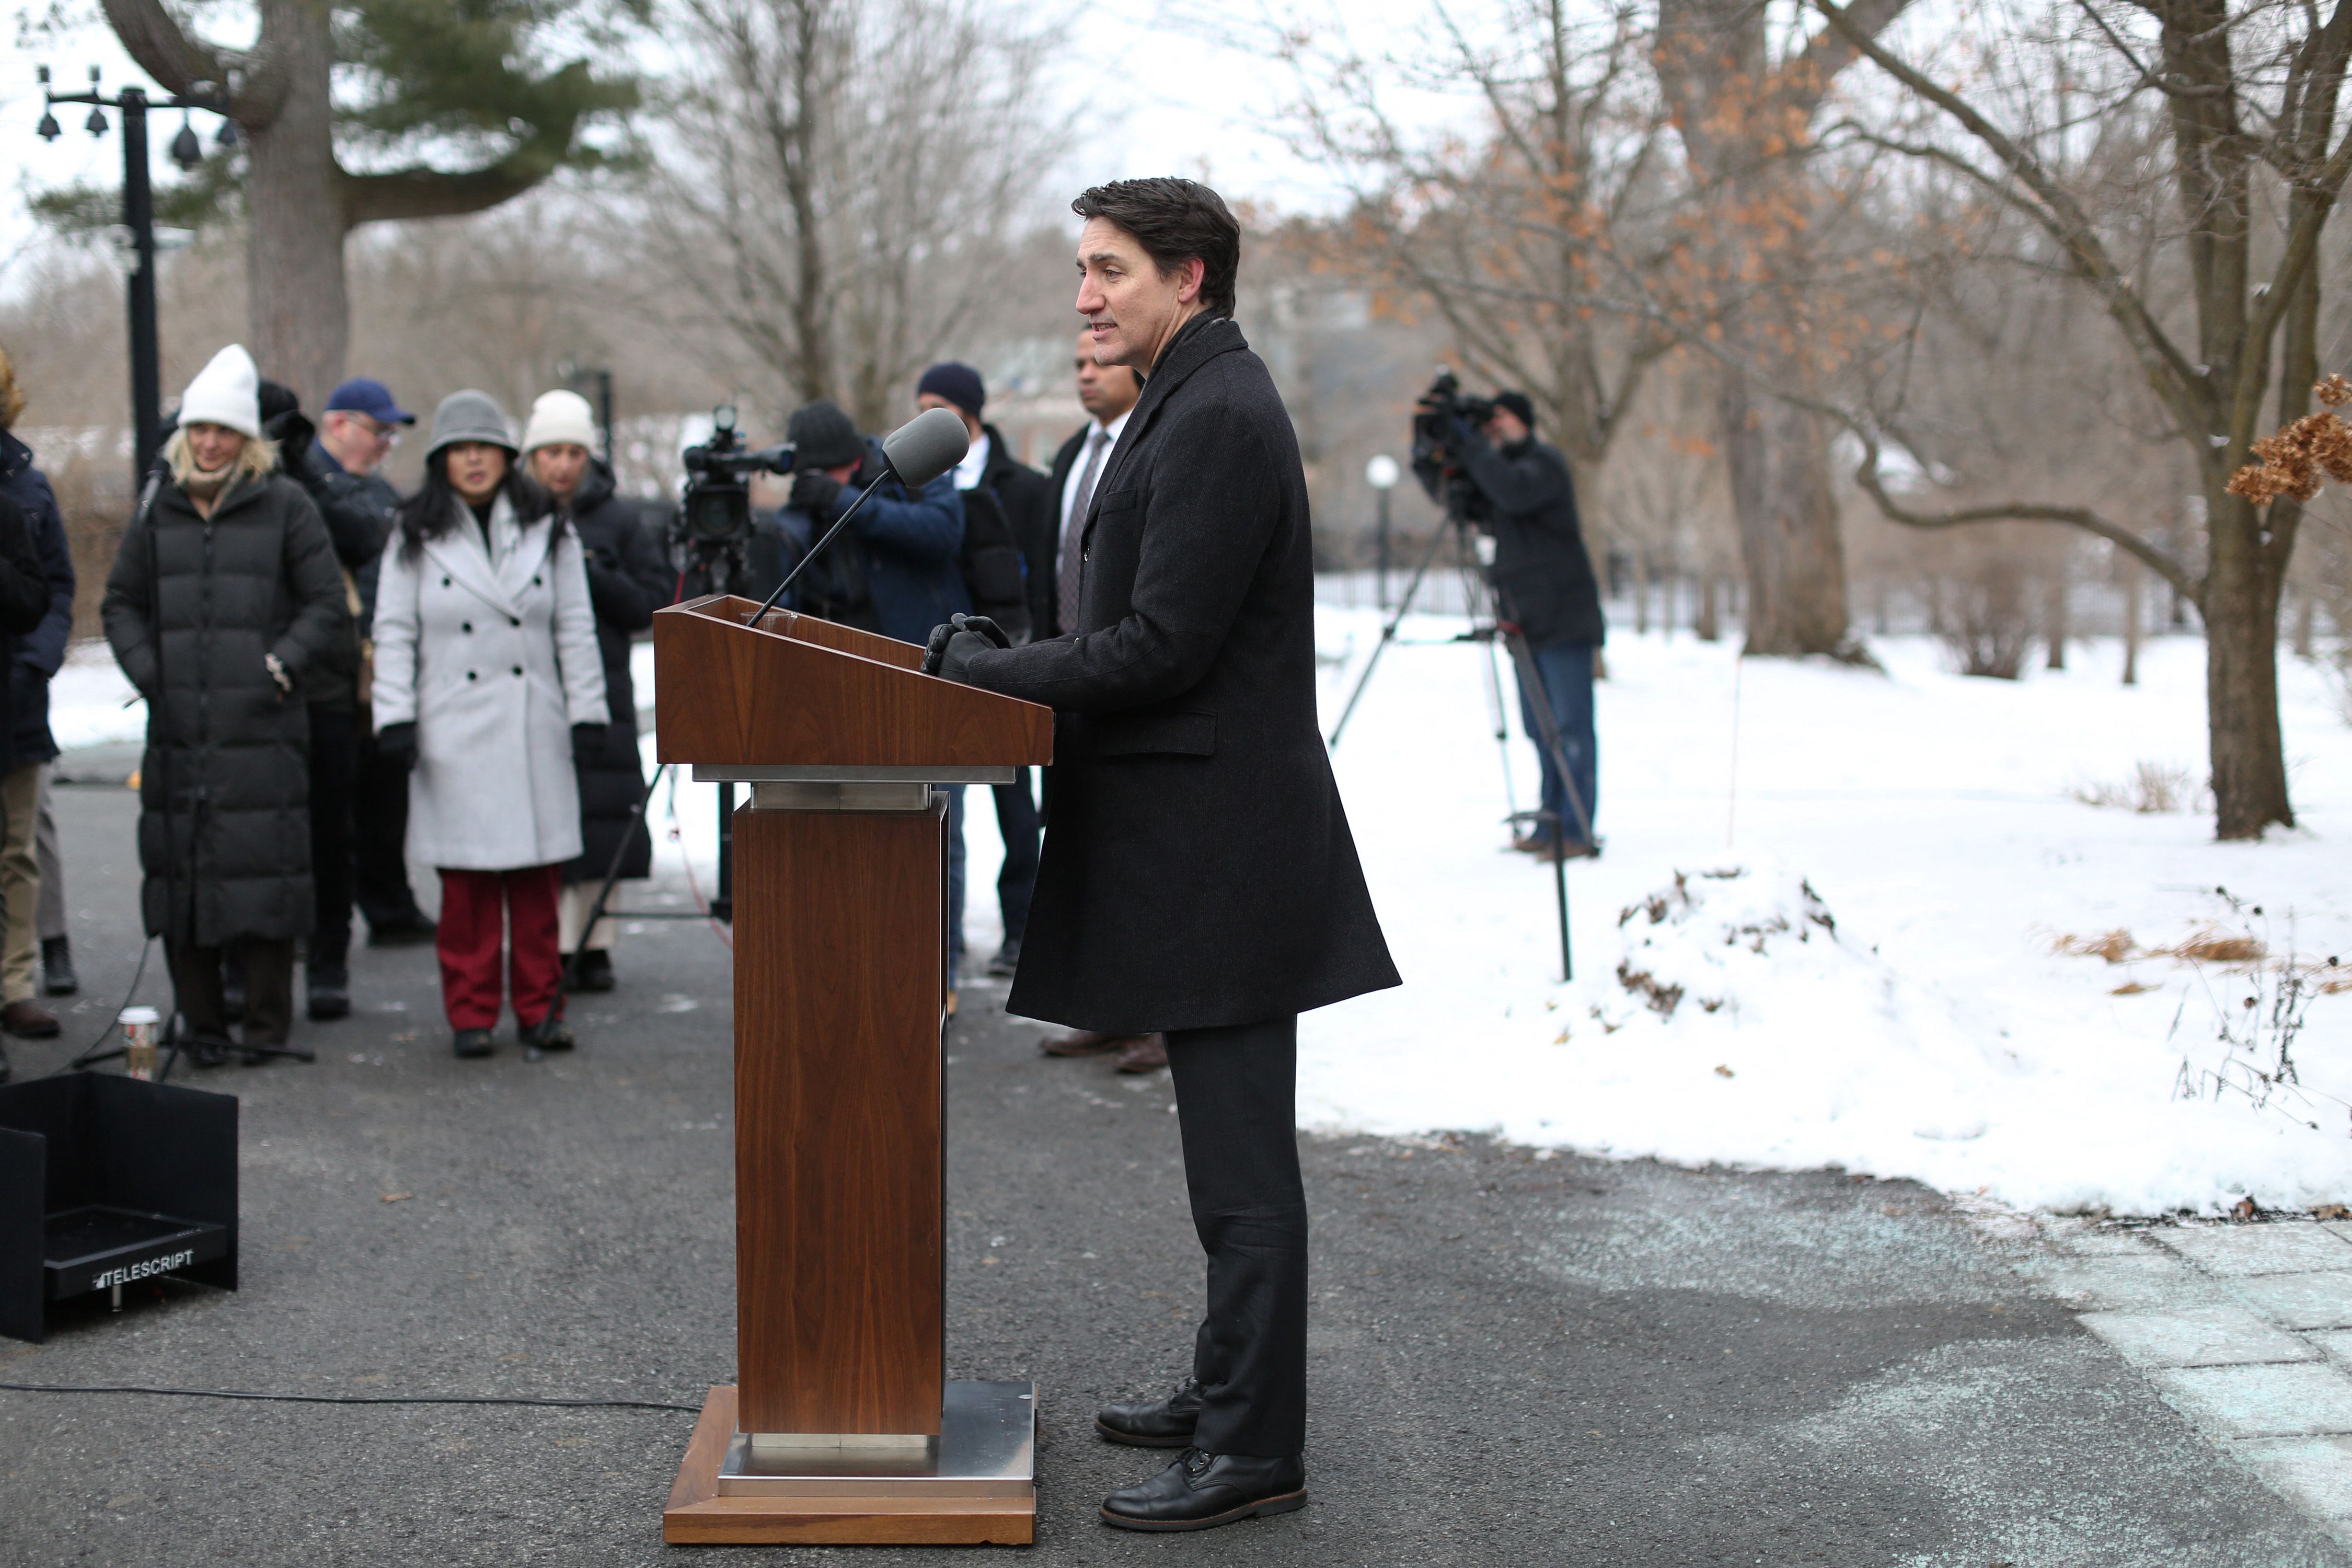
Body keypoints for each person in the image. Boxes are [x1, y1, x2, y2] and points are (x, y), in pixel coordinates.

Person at [926, 178, 1399, 1532]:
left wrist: (989, 674)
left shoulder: (1218, 418)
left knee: (1243, 1171)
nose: (1084, 294)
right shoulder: (1186, 402)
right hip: (1197, 837)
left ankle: (1255, 1448)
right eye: (1083, 269)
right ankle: (1225, 1388)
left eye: (1109, 269)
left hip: (1226, 848)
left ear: (1187, 279)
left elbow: (1158, 646)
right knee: (1220, 1163)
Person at [101, 344, 349, 1066]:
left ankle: (268, 1031)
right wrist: (153, 674)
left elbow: (326, 602)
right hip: (179, 730)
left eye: (225, 431)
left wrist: (281, 665)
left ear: (247, 439)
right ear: (185, 433)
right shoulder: (158, 507)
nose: (210, 443)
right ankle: (202, 1030)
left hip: (263, 728)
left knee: (267, 881)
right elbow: (120, 602)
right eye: (199, 429)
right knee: (186, 877)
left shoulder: (287, 504)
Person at [371, 390, 607, 1058]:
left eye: (486, 448)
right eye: (459, 450)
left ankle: (540, 1009)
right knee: (468, 889)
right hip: (453, 728)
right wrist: (395, 716)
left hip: (534, 724)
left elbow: (574, 626)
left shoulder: (549, 527)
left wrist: (588, 710)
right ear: (442, 460)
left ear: (507, 456)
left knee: (536, 885)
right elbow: (392, 632)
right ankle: (471, 1014)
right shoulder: (411, 533)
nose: (474, 461)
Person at [762, 398, 970, 982]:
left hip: (926, 676)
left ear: (856, 457)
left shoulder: (905, 473)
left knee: (938, 828)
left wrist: (847, 505)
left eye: (838, 472)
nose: (831, 482)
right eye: (819, 477)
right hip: (845, 694)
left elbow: (941, 531)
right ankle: (867, 966)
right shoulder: (800, 513)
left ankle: (939, 970)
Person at [1030, 330, 1163, 1071]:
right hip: (1065, 674)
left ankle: (1156, 1018)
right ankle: (1106, 1008)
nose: (1085, 376)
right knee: (1081, 848)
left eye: (1097, 363)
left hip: (1127, 671)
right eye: (1075, 364)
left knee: (1137, 856)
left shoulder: (1149, 447)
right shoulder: (1067, 459)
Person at [520, 389, 671, 993]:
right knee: (539, 811)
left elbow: (650, 602)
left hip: (601, 679)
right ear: (532, 456)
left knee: (600, 816)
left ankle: (594, 942)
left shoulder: (619, 518)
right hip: (531, 680)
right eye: (552, 452)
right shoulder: (509, 514)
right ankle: (538, 944)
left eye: (574, 452)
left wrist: (590, 569)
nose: (563, 465)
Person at [913, 362, 1054, 982]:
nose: (927, 418)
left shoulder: (1023, 485)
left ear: (970, 411)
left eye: (939, 406)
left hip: (1011, 657)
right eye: (920, 406)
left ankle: (1022, 930)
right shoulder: (916, 482)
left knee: (1017, 804)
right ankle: (946, 941)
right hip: (942, 662)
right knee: (947, 806)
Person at [1445, 391, 1604, 858]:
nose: (1493, 428)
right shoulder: (1494, 472)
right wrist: (1439, 447)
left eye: (1501, 417)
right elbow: (1462, 501)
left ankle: (1576, 828)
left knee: (1570, 728)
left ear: (1525, 420)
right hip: (1524, 621)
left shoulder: (1543, 464)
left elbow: (1514, 491)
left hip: (1563, 619)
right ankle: (1550, 821)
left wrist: (1473, 444)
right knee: (1540, 729)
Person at [314, 377, 432, 949]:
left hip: (379, 664)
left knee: (387, 789)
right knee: (337, 800)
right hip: (331, 667)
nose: (386, 443)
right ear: (339, 424)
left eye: (391, 434)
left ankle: (389, 904)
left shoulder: (378, 490)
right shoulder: (311, 487)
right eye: (377, 430)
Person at [0, 346, 76, 1037]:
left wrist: (35, 664)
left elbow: (58, 588)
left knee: (17, 851)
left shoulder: (28, 481)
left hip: (17, 696)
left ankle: (14, 982)